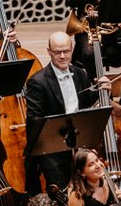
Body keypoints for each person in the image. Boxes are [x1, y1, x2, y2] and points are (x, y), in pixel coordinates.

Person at [23, 32, 104, 191]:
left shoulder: (80, 73)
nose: (62, 56)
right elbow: (35, 120)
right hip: (53, 149)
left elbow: (85, 102)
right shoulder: (37, 82)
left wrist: (102, 90)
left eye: (66, 51)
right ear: (49, 52)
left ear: (72, 49)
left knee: (88, 190)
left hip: (79, 144)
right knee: (62, 194)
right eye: (57, 52)